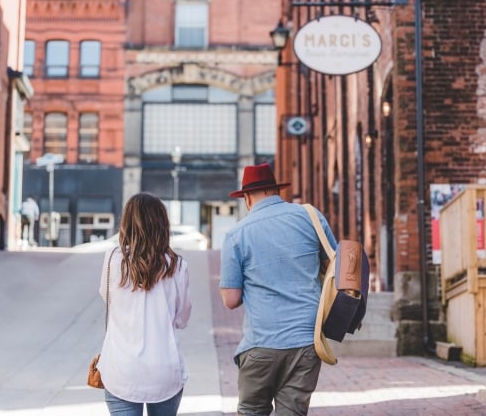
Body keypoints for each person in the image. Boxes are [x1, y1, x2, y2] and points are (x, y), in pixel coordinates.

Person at [220, 163, 337, 415]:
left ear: (248, 198)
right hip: (306, 340)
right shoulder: (310, 217)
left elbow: (230, 299)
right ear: (276, 191)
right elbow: (335, 267)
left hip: (261, 343)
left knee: (252, 410)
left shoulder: (236, 234)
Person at [97, 192, 192, 416]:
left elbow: (106, 296)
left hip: (121, 371)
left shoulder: (113, 259)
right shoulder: (177, 266)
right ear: (162, 224)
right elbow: (182, 319)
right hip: (164, 371)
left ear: (127, 223)